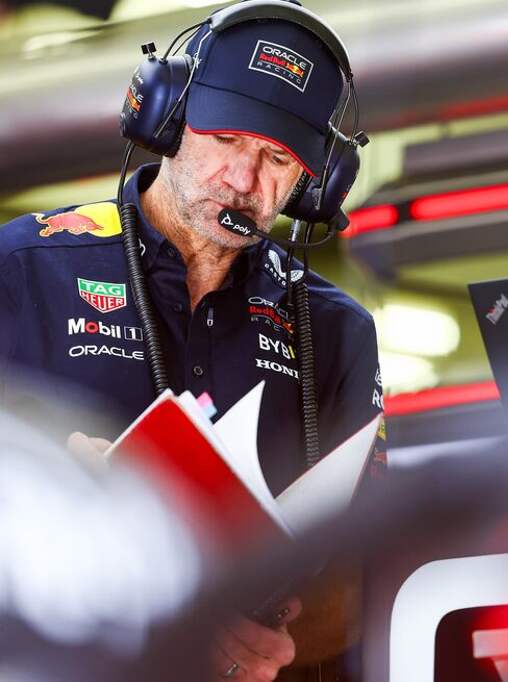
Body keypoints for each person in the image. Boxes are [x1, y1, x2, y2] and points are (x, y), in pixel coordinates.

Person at [0, 2, 384, 679]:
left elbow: (362, 580)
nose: (243, 181)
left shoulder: (337, 329)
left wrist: (261, 637)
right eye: (226, 138)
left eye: (277, 158)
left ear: (317, 184)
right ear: (168, 117)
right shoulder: (21, 267)